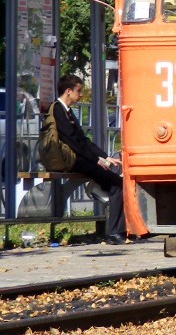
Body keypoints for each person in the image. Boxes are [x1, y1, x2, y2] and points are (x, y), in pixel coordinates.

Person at [51, 74, 127, 244]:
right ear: (68, 91)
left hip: (78, 159)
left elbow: (83, 140)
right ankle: (114, 232)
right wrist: (96, 160)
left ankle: (117, 228)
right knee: (117, 184)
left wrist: (105, 156)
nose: (81, 95)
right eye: (78, 91)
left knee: (115, 179)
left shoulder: (67, 111)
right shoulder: (57, 110)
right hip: (69, 161)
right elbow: (72, 142)